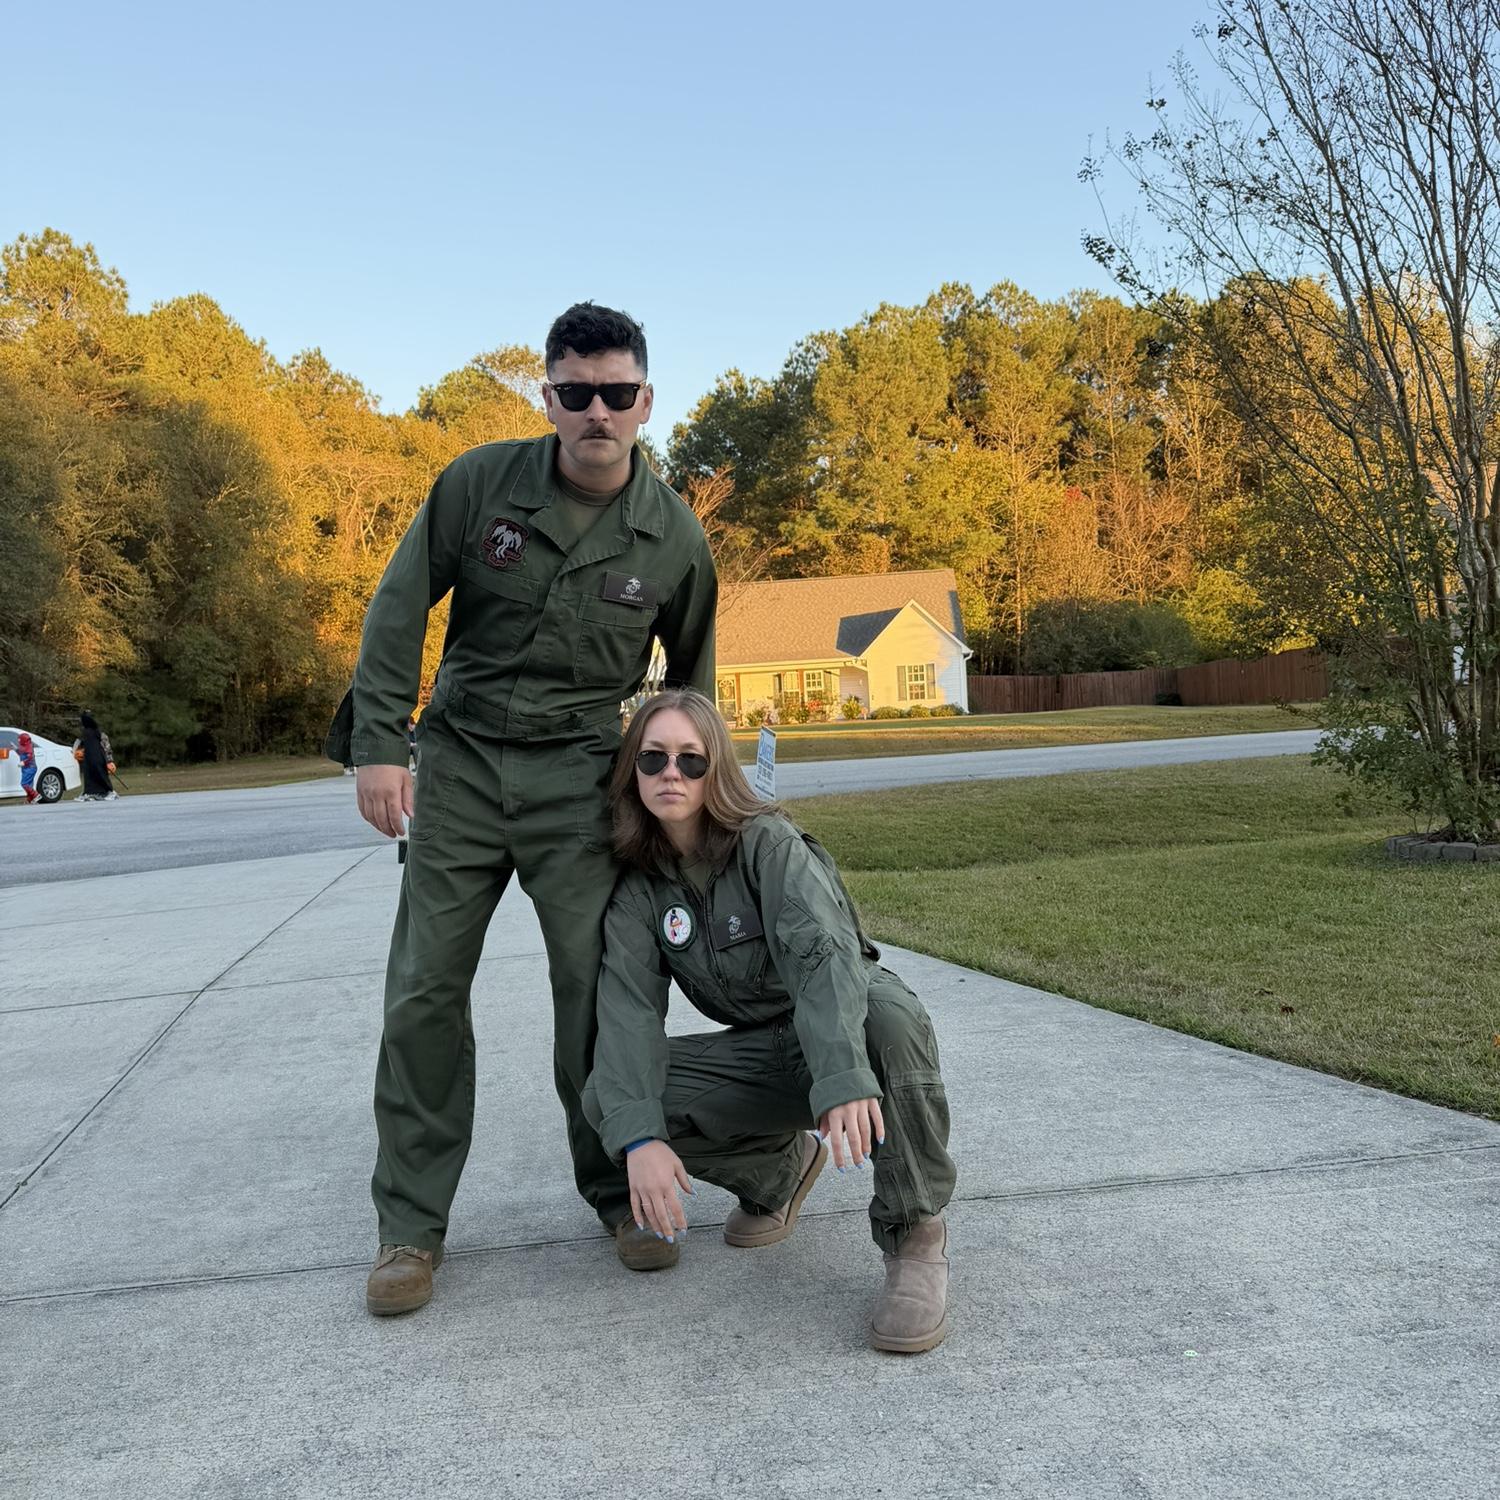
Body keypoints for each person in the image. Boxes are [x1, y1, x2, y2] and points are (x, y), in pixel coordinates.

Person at [327, 303, 717, 1316]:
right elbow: (399, 605)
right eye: (576, 393)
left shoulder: (672, 537)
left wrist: (683, 798)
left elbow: (694, 686)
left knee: (598, 990)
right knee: (422, 990)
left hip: (581, 781)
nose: (597, 411)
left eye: (617, 394)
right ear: (547, 398)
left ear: (644, 402)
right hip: (457, 767)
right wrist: (380, 745)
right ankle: (409, 1228)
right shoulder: (477, 486)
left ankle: (620, 1193)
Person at [582, 689, 957, 1353]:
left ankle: (915, 1235)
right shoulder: (638, 888)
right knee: (615, 1099)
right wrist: (638, 1140)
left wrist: (842, 1074)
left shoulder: (767, 842)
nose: (673, 773)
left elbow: (823, 956)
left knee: (893, 1022)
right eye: (654, 758)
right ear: (631, 771)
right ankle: (777, 1173)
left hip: (849, 1020)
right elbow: (628, 1016)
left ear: (716, 769)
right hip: (766, 1051)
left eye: (692, 761)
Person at [73, 712, 116, 801]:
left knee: (100, 774)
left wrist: (109, 761)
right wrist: (76, 752)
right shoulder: (84, 733)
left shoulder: (98, 732)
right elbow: (77, 745)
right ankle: (90, 793)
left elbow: (106, 747)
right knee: (89, 776)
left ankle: (110, 792)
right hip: (88, 758)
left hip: (98, 757)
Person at [17, 732, 39, 804]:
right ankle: (30, 798)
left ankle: (35, 795)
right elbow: (21, 753)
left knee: (24, 783)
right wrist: (15, 748)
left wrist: (24, 762)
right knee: (29, 785)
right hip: (26, 768)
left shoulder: (28, 747)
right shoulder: (24, 746)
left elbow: (30, 757)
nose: (19, 742)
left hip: (30, 768)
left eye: (20, 740)